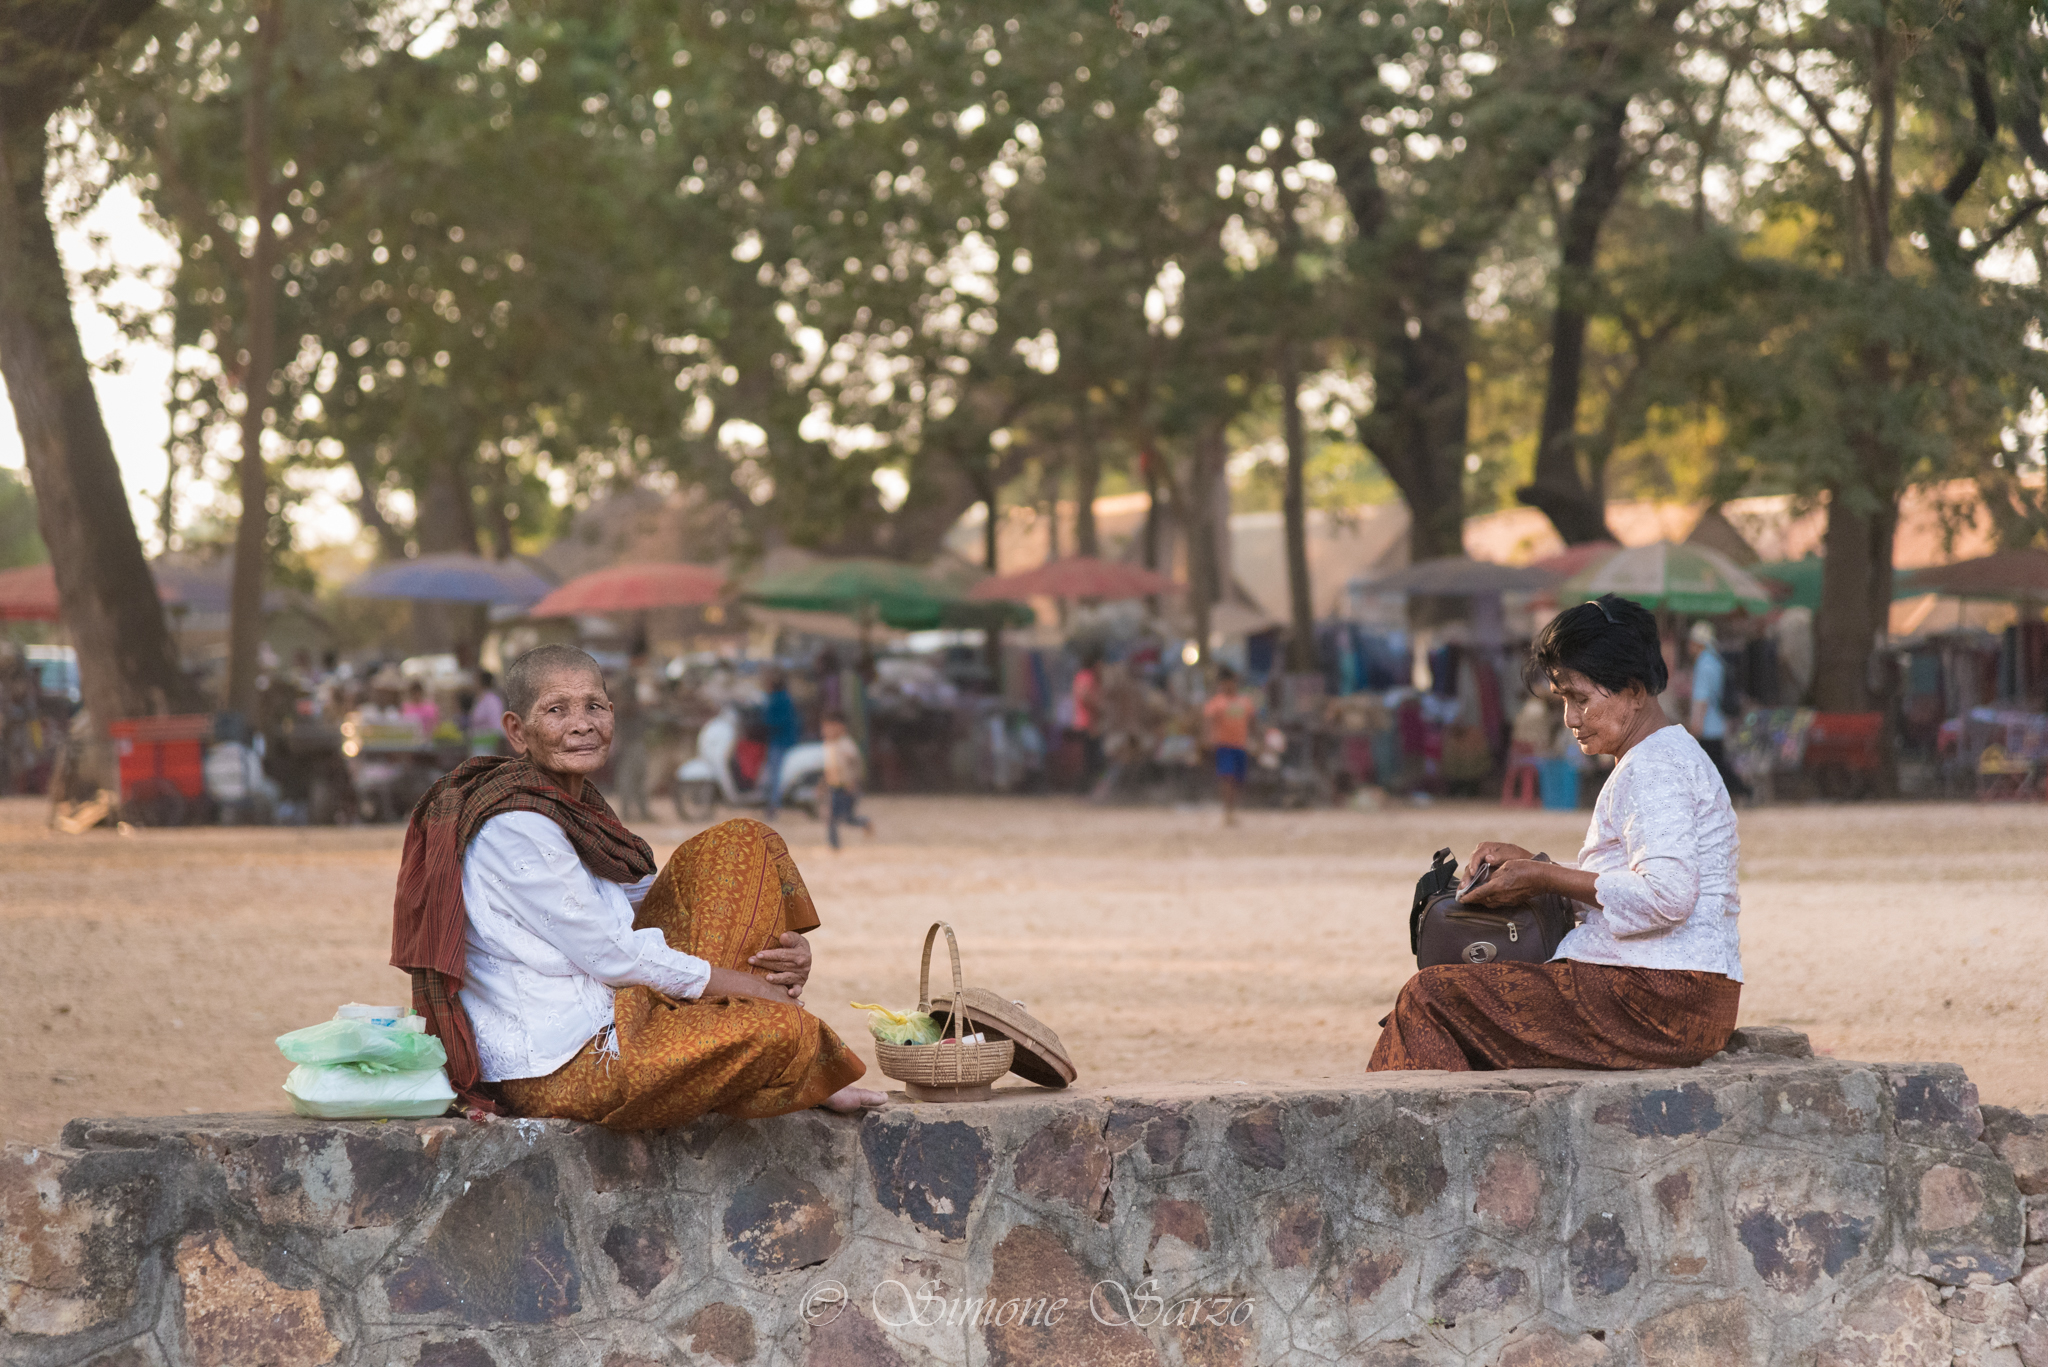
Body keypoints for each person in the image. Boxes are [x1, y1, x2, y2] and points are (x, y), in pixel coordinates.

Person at [390, 644, 882, 1128]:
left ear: (612, 714)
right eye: (556, 710)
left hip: (619, 1010)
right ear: (518, 731)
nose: (582, 723)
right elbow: (615, 955)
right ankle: (802, 1067)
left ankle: (772, 1027)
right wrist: (756, 992)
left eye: (594, 707)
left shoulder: (575, 806)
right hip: (557, 1062)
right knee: (785, 1030)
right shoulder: (516, 826)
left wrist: (777, 954)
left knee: (745, 841)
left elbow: (651, 903)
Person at [1369, 594, 1743, 1073]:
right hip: (1670, 991)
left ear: (1633, 691)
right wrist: (1539, 868)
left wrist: (1542, 878)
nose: (1570, 718)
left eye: (1581, 699)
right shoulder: (1662, 755)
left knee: (1430, 998)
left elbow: (1667, 895)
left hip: (1660, 999)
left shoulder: (1655, 767)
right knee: (1456, 998)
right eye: (1564, 700)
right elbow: (1630, 885)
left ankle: (1416, 1142)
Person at [1686, 621, 1752, 802]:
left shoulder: (1703, 664)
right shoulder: (1715, 661)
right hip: (1718, 723)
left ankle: (1743, 790)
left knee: (1716, 766)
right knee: (1716, 764)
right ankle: (1739, 791)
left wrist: (1695, 725)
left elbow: (1702, 698)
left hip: (1708, 726)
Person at [1202, 667, 1256, 826]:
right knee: (1227, 777)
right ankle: (1227, 811)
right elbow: (1208, 721)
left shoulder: (1244, 701)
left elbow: (1252, 721)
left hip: (1241, 745)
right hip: (1224, 746)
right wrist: (1207, 738)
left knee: (1238, 780)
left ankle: (1233, 809)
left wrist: (1257, 739)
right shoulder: (1217, 703)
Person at [819, 711, 873, 850]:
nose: (825, 731)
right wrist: (823, 784)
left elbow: (856, 763)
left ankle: (865, 822)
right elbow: (829, 767)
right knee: (831, 817)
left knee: (847, 818)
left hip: (846, 786)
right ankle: (834, 847)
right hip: (834, 786)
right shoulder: (828, 745)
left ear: (840, 727)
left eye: (829, 727)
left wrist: (854, 781)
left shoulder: (846, 744)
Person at [759, 667, 801, 820]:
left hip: (781, 741)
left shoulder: (778, 699)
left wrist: (764, 721)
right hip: (780, 740)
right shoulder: (782, 698)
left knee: (775, 774)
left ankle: (773, 805)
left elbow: (776, 721)